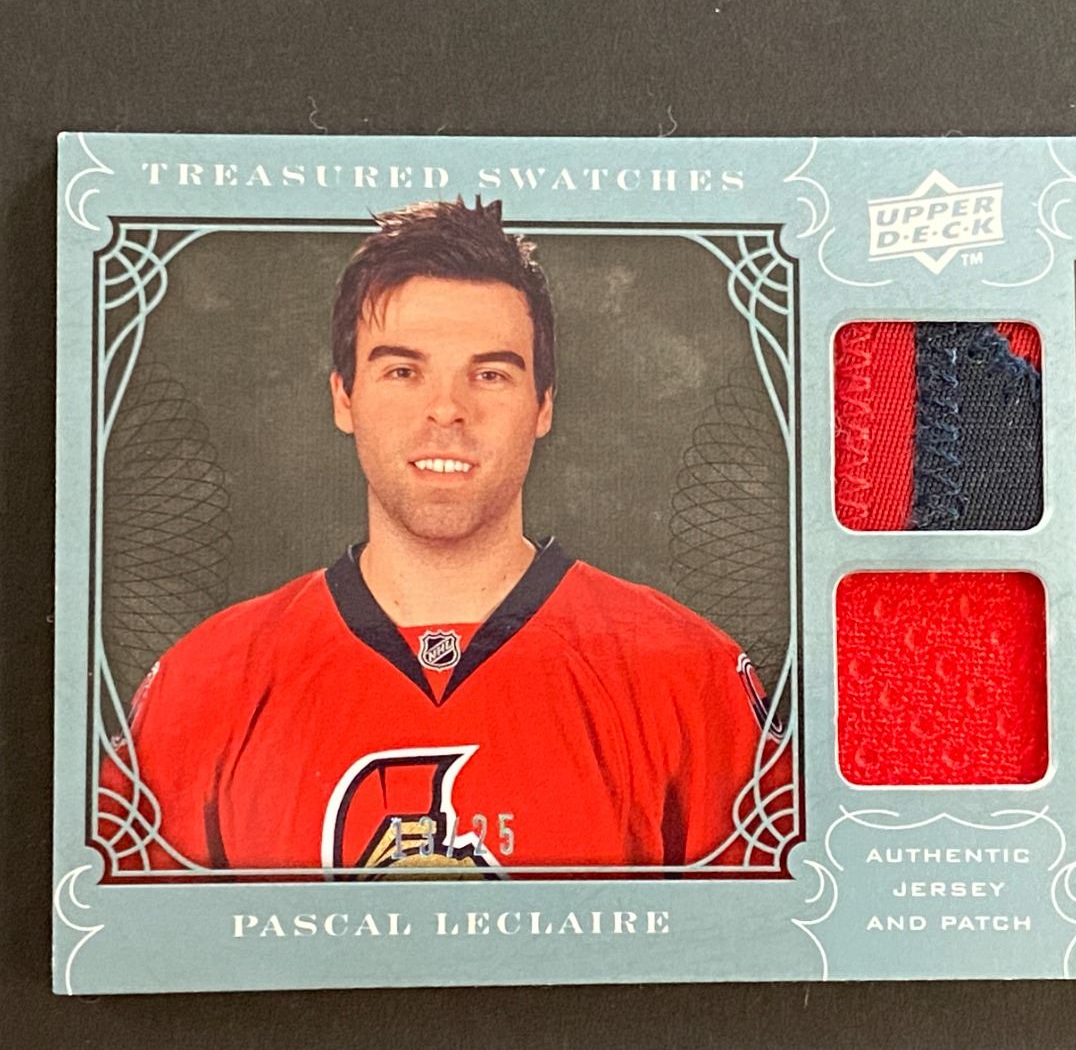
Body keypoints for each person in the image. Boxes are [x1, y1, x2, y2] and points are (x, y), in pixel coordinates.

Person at [98, 198, 789, 876]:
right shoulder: (205, 686)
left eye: (489, 374)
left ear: (543, 406)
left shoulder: (687, 678)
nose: (447, 410)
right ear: (344, 397)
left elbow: (761, 942)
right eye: (403, 371)